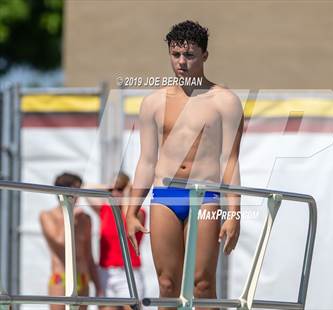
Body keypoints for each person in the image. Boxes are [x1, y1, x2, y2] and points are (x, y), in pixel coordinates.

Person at [126, 20, 244, 309]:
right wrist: (131, 209)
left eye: (189, 55)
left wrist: (234, 212)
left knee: (202, 284)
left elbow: (230, 159)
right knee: (167, 284)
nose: (181, 62)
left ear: (205, 55)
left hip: (205, 196)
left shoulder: (224, 101)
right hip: (165, 195)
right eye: (176, 54)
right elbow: (147, 160)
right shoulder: (154, 101)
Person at [40, 172, 102, 310]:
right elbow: (60, 242)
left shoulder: (85, 219)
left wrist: (99, 288)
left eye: (78, 191)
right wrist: (70, 219)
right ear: (63, 192)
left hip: (83, 277)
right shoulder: (48, 216)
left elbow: (89, 256)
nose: (77, 196)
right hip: (60, 278)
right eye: (75, 191)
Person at [86, 172, 146, 310]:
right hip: (106, 272)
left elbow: (126, 220)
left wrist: (127, 195)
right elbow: (85, 188)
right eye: (111, 190)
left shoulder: (139, 213)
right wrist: (108, 187)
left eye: (119, 189)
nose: (114, 193)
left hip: (129, 272)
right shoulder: (105, 210)